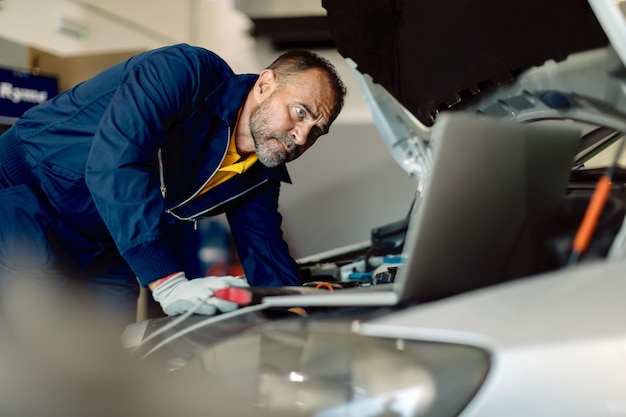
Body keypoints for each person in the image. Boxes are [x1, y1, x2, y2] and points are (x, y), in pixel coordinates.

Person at [0, 43, 347, 321]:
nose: (301, 137)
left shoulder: (257, 170)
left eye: (317, 129)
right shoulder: (182, 72)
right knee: (42, 343)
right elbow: (115, 161)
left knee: (106, 353)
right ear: (264, 84)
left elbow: (264, 245)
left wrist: (293, 311)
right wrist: (168, 283)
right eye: (300, 112)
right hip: (25, 196)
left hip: (100, 237)